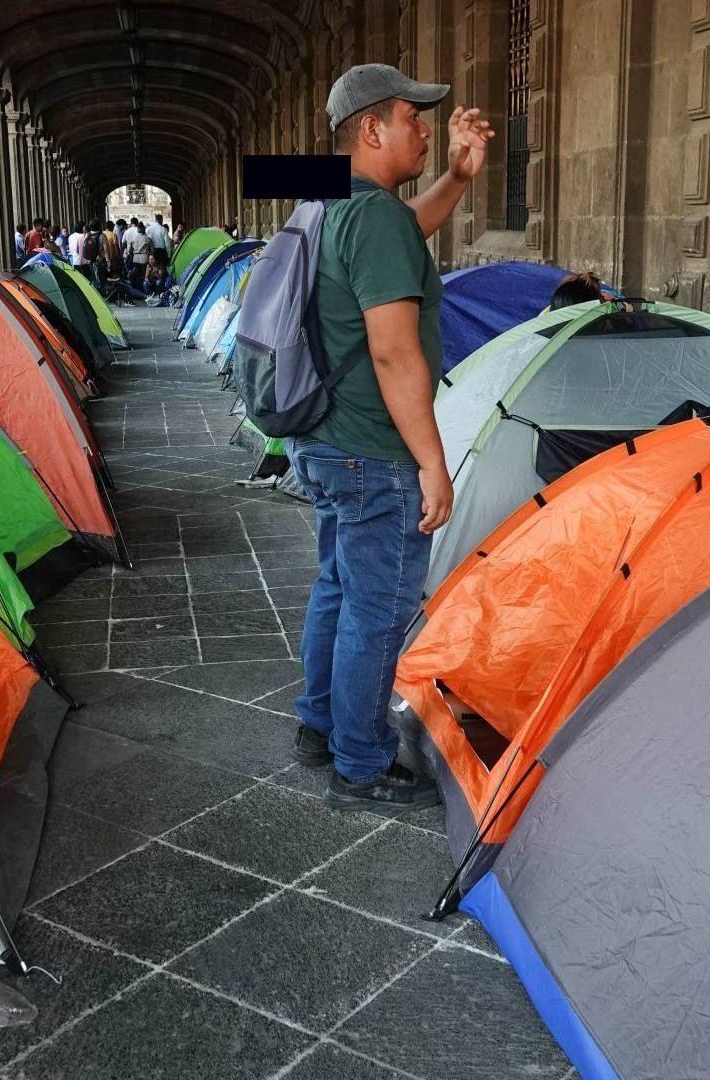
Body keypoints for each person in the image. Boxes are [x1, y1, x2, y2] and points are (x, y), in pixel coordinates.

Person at [288, 64, 494, 811]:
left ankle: (319, 725)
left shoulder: (330, 200)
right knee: (377, 609)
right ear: (372, 129)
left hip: (324, 438)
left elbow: (408, 232)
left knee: (340, 586)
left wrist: (457, 177)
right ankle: (362, 765)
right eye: (415, 117)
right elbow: (393, 350)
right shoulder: (371, 215)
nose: (427, 128)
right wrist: (433, 464)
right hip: (374, 449)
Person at [122, 219, 149, 288]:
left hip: (135, 257)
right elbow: (152, 248)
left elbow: (124, 244)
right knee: (143, 274)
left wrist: (129, 253)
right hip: (144, 258)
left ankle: (135, 287)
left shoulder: (127, 232)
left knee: (135, 273)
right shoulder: (147, 237)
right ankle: (143, 288)